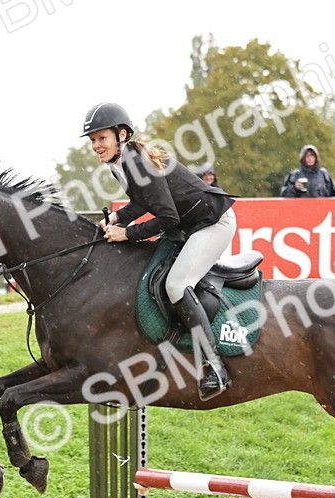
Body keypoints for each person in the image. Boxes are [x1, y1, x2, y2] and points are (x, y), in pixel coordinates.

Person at [83, 102, 237, 400]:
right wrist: (117, 218)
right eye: (92, 141)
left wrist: (126, 233)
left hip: (212, 223)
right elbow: (143, 202)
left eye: (101, 138)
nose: (96, 146)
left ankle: (214, 367)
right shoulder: (121, 164)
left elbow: (168, 217)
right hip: (188, 226)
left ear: (122, 134)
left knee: (176, 283)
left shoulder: (135, 161)